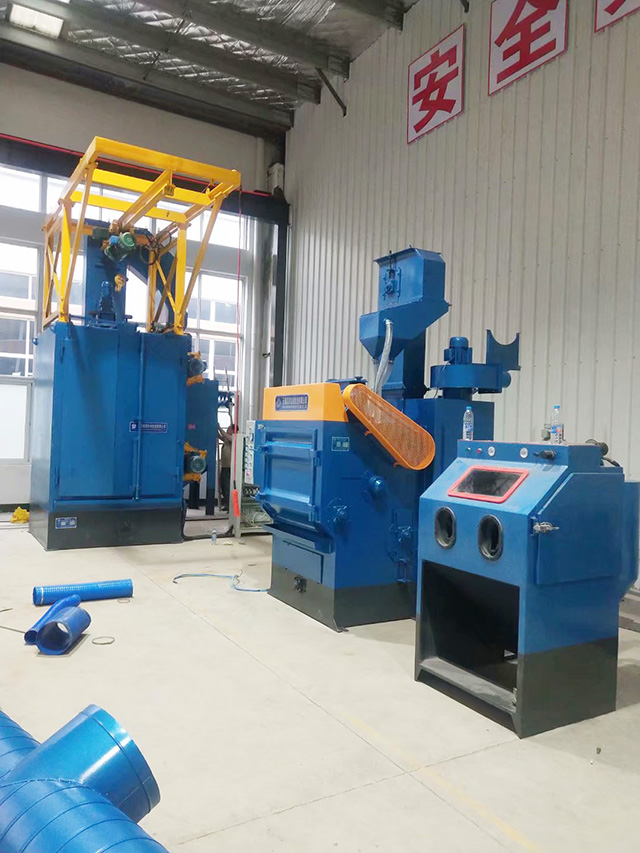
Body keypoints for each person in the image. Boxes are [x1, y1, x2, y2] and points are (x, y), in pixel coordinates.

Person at [217, 422, 234, 512]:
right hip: (224, 466)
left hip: (230, 467)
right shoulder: (227, 440)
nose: (227, 430)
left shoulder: (234, 438)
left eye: (229, 429)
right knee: (223, 486)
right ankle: (227, 504)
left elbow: (225, 435)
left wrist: (219, 428)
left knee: (227, 487)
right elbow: (222, 437)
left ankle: (230, 506)